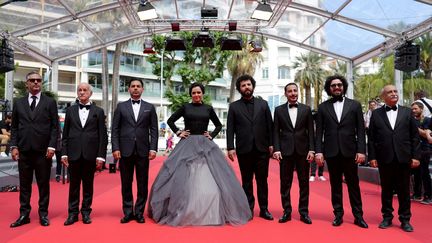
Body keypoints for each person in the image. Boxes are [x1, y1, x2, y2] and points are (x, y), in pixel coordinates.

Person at [148, 83, 251, 226]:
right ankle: (185, 210)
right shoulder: (185, 107)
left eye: (199, 92)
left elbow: (219, 125)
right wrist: (179, 132)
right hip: (187, 144)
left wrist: (212, 135)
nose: (196, 95)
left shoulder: (208, 108)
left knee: (208, 176)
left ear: (203, 93)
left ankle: (209, 213)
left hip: (205, 144)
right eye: (194, 93)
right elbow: (170, 120)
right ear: (191, 94)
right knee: (183, 174)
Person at [315, 74, 368, 228]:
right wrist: (319, 151)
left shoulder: (355, 105)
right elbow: (319, 132)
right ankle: (338, 215)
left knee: (353, 185)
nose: (337, 87)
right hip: (331, 152)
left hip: (350, 152)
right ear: (329, 88)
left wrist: (361, 151)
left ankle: (358, 216)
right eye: (333, 85)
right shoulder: (322, 107)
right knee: (335, 185)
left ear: (343, 87)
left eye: (339, 85)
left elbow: (361, 130)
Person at [368, 85, 420, 232]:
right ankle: (387, 217)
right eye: (390, 92)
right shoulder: (376, 114)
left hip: (404, 157)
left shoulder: (407, 112)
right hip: (385, 157)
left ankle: (405, 219)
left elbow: (415, 137)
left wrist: (416, 156)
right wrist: (372, 156)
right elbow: (371, 138)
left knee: (404, 190)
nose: (393, 94)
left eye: (395, 91)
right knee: (386, 190)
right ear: (383, 96)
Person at [9, 71, 59, 227]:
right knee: (24, 185)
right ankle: (24, 214)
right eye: (33, 80)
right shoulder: (18, 103)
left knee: (44, 184)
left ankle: (43, 214)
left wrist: (52, 146)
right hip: (24, 151)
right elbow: (15, 127)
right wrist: (14, 146)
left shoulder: (50, 102)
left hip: (43, 152)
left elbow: (54, 127)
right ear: (27, 84)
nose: (36, 82)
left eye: (38, 80)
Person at [226, 74, 274, 220]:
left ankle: (264, 209)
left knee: (262, 180)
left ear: (252, 86)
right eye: (243, 85)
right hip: (244, 149)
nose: (246, 87)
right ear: (239, 89)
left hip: (262, 149)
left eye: (248, 84)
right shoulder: (234, 107)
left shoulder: (263, 104)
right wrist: (230, 147)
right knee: (246, 181)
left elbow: (270, 126)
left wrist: (271, 144)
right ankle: (248, 209)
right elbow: (230, 128)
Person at [111, 79, 158, 224]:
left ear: (142, 89)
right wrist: (115, 147)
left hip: (143, 151)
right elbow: (115, 129)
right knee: (126, 183)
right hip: (125, 150)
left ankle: (139, 212)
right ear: (129, 89)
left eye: (138, 86)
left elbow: (154, 130)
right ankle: (127, 212)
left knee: (142, 183)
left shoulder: (149, 107)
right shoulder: (121, 107)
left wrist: (153, 148)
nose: (135, 88)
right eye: (133, 86)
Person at [61, 83, 108, 226]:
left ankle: (86, 212)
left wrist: (101, 156)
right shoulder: (70, 111)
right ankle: (72, 214)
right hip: (73, 154)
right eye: (79, 90)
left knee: (88, 185)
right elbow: (66, 134)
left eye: (84, 90)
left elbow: (102, 136)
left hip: (91, 155)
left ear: (90, 93)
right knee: (73, 186)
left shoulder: (98, 111)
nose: (82, 92)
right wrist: (64, 153)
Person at [272, 83, 314, 224]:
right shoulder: (278, 110)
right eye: (290, 91)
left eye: (295, 90)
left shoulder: (306, 109)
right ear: (286, 94)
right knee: (285, 183)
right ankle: (287, 212)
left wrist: (312, 149)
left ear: (298, 92)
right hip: (285, 151)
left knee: (304, 183)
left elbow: (311, 132)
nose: (293, 93)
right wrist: (277, 149)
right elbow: (275, 131)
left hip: (303, 151)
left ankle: (304, 212)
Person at [410, 102, 431, 205]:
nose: (413, 111)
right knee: (416, 173)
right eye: (412, 109)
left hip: (425, 149)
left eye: (415, 109)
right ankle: (417, 194)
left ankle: (428, 195)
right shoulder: (412, 120)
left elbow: (426, 135)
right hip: (414, 150)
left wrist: (414, 128)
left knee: (424, 173)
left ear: (421, 109)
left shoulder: (427, 120)